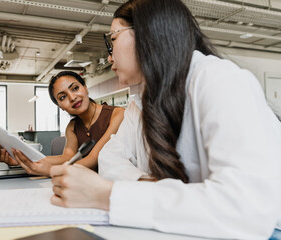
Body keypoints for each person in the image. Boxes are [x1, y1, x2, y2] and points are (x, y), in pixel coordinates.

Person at [49, 0, 281, 239]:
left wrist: (108, 195)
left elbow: (246, 210)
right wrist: (155, 188)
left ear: (147, 34)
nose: (109, 58)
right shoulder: (139, 104)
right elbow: (110, 159)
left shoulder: (219, 80)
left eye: (113, 40)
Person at [0, 71, 124, 176]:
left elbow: (94, 158)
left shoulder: (117, 114)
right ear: (60, 106)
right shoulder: (72, 127)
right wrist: (21, 160)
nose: (72, 98)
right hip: (83, 184)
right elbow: (67, 157)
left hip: (116, 184)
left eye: (75, 88)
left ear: (85, 88)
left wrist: (50, 171)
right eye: (62, 97)